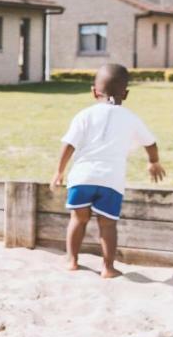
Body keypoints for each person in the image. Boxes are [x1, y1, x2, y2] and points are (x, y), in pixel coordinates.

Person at [51, 64, 165, 278]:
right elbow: (150, 143)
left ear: (94, 91)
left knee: (78, 219)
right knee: (108, 225)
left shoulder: (84, 115)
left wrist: (59, 171)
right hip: (111, 180)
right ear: (126, 93)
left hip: (82, 177)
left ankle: (72, 261)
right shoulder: (131, 117)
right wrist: (153, 162)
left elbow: (69, 144)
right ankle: (108, 268)